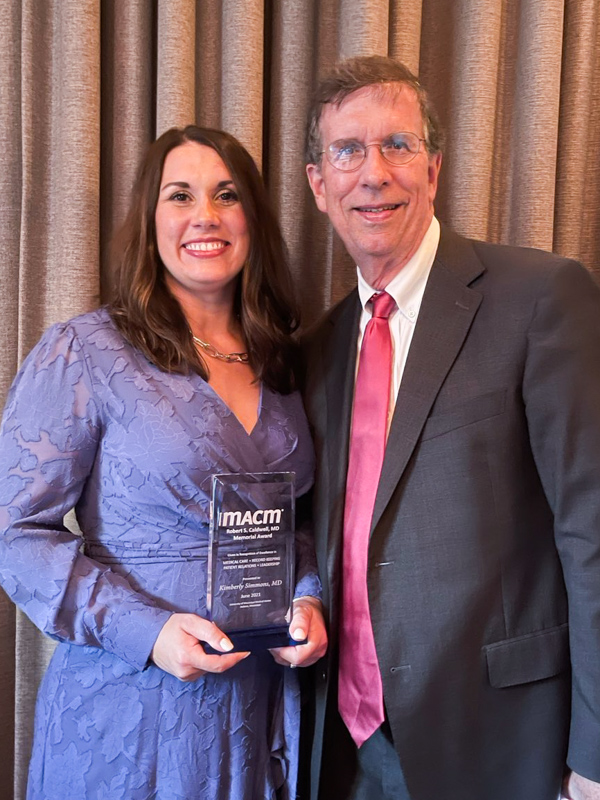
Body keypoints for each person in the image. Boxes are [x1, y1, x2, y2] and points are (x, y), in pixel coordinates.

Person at [301, 55, 600, 800]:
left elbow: (592, 530)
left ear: (432, 170)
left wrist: (596, 755)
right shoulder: (318, 349)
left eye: (397, 146)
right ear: (319, 187)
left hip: (507, 745)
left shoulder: (538, 298)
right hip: (348, 748)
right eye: (348, 151)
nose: (374, 174)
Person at [0, 124, 327, 800]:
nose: (205, 216)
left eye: (226, 195)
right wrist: (146, 632)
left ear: (253, 221)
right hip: (130, 705)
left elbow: (294, 523)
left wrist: (308, 596)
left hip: (259, 704)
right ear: (150, 222)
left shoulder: (286, 360)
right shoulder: (86, 351)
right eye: (180, 196)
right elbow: (12, 533)